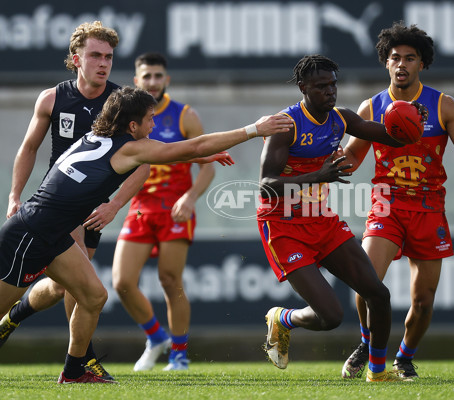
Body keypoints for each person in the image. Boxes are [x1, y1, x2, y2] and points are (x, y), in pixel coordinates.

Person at [0, 86, 292, 383]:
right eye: (151, 119)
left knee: (94, 296)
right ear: (132, 126)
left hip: (53, 233)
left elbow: (173, 152)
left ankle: (74, 371)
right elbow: (189, 146)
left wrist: (194, 156)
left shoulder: (97, 138)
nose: (155, 126)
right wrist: (255, 129)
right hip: (30, 235)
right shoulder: (127, 148)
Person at [257, 54, 427, 383]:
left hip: (321, 219)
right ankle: (282, 319)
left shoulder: (340, 119)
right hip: (283, 225)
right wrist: (318, 175)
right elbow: (266, 187)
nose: (330, 91)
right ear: (304, 88)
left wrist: (411, 123)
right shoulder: (286, 125)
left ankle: (377, 372)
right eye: (321, 86)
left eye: (333, 84)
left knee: (379, 294)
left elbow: (390, 134)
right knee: (331, 317)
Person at [0, 21, 149, 380]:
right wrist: (14, 195)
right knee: (84, 290)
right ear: (75, 59)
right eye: (95, 55)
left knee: (61, 288)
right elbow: (29, 147)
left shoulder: (120, 105)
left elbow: (144, 163)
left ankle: (14, 321)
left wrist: (114, 205)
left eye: (109, 57)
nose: (103, 63)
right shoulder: (54, 97)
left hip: (93, 209)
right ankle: (81, 362)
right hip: (58, 208)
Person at [339, 21, 454, 379]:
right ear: (385, 63)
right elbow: (353, 158)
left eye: (410, 58)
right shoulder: (372, 107)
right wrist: (325, 163)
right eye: (394, 58)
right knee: (366, 280)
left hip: (429, 207)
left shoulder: (443, 105)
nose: (401, 64)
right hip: (386, 203)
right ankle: (366, 343)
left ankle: (404, 356)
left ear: (422, 64)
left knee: (423, 300)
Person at [112, 52, 233, 372]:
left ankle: (179, 354)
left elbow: (206, 166)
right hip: (140, 207)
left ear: (167, 80)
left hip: (175, 209)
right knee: (122, 282)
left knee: (169, 279)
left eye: (158, 76)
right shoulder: (126, 117)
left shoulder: (185, 115)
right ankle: (156, 337)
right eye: (146, 76)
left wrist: (190, 198)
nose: (152, 81)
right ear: (136, 80)